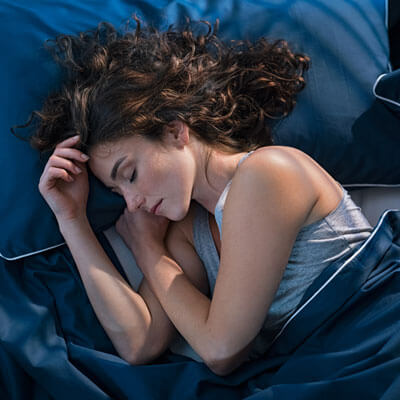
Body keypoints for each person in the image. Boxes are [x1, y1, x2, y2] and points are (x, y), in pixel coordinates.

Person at [20, 17, 373, 376]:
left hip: (378, 335)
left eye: (130, 175)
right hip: (332, 368)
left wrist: (149, 252)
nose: (131, 202)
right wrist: (72, 220)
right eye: (116, 191)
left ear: (175, 131)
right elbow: (139, 342)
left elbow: (222, 350)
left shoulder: (267, 173)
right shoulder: (190, 231)